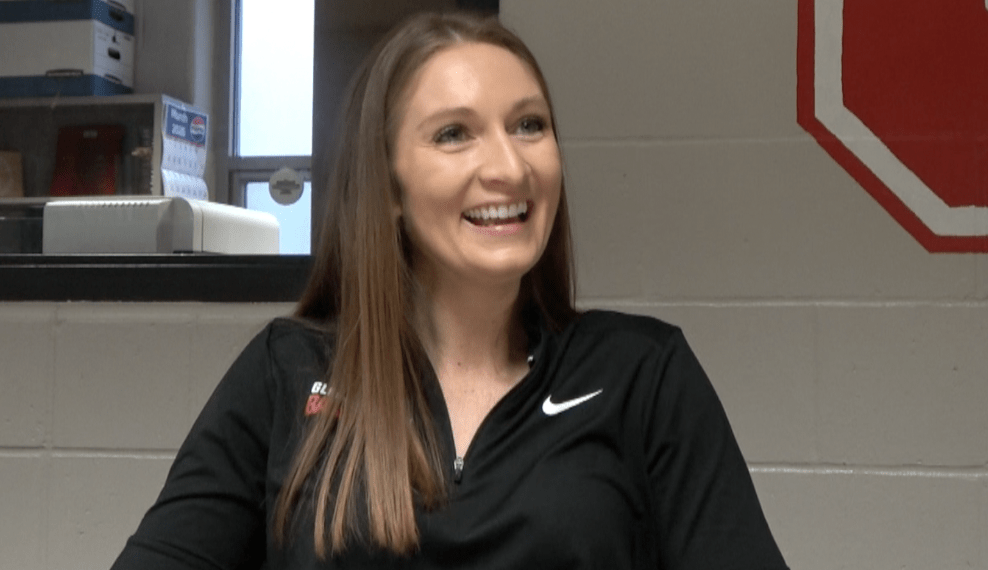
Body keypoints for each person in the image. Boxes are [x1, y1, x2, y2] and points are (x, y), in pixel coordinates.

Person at [111, 11, 788, 570]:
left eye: (529, 125)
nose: (509, 166)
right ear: (390, 188)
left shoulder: (643, 375)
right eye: (455, 135)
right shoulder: (287, 371)